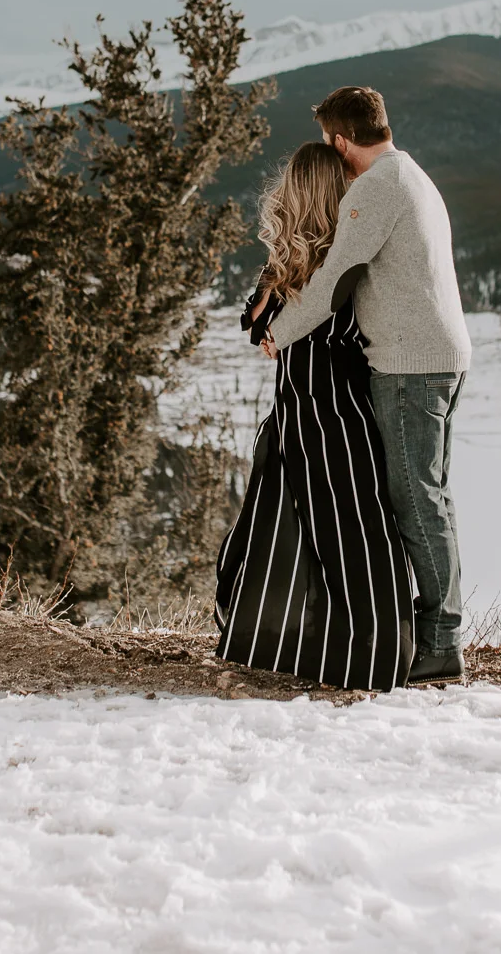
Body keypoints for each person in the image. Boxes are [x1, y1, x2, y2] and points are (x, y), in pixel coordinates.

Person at [260, 87, 473, 686]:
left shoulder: (377, 187)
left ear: (339, 141)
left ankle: (441, 643)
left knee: (415, 500)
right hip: (439, 356)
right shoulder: (412, 175)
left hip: (410, 365)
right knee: (430, 496)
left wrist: (279, 332)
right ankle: (438, 632)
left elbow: (337, 279)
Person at [214, 142, 415, 691]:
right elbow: (258, 326)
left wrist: (279, 271)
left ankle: (333, 654)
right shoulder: (332, 258)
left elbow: (257, 327)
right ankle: (363, 655)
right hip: (329, 412)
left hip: (314, 411)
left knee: (308, 534)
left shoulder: (317, 262)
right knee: (348, 535)